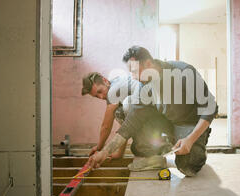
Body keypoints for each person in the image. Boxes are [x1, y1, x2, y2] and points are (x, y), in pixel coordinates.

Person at [87, 46, 218, 177]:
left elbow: (211, 107)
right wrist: (104, 153)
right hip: (168, 122)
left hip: (189, 124)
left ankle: (199, 142)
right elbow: (132, 122)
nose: (133, 77)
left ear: (149, 64)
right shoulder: (145, 86)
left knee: (188, 166)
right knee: (138, 146)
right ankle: (159, 154)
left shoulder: (183, 72)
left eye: (135, 71)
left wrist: (190, 139)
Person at [82, 72, 173, 168]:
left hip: (160, 119)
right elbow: (125, 126)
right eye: (96, 96)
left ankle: (158, 151)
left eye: (100, 91)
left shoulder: (113, 91)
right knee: (135, 147)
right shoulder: (117, 83)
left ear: (105, 80)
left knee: (124, 107)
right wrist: (119, 153)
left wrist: (99, 149)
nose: (101, 97)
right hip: (158, 117)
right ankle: (154, 149)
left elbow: (106, 126)